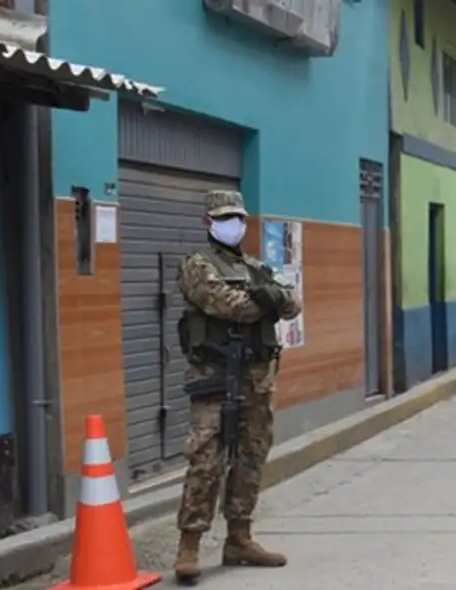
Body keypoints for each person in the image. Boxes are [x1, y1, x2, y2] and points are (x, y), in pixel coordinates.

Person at [173, 190, 302, 583]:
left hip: (256, 379)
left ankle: (239, 538)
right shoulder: (197, 264)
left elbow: (292, 302)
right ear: (208, 222)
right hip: (214, 376)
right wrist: (267, 300)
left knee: (251, 457)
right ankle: (189, 545)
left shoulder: (255, 265)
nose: (234, 225)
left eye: (238, 217)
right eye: (225, 217)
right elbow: (225, 304)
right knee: (206, 459)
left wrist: (273, 296)